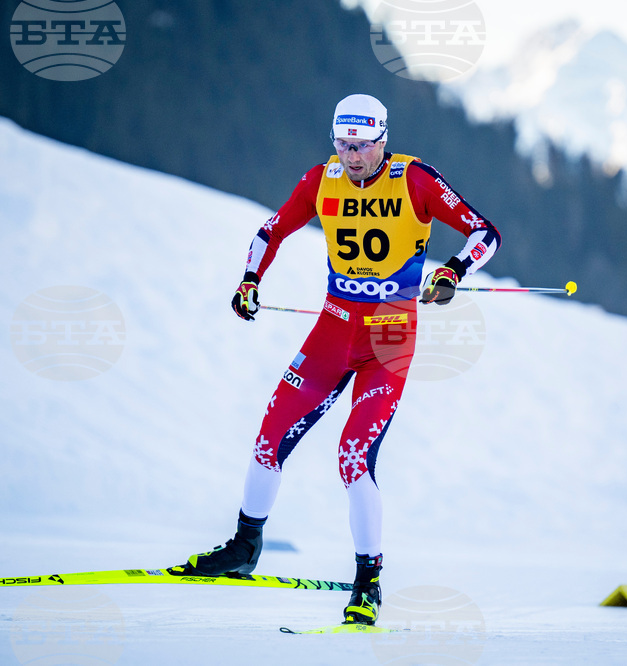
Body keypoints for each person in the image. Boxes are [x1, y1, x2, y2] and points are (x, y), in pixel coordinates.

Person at [180, 94, 501, 625]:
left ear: (382, 141)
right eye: (343, 144)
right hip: (332, 328)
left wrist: (452, 272)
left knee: (353, 454)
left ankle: (368, 579)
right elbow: (271, 231)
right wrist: (249, 281)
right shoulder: (323, 178)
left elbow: (484, 232)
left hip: (389, 338)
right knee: (269, 435)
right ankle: (243, 548)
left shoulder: (413, 179)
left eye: (362, 146)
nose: (352, 158)